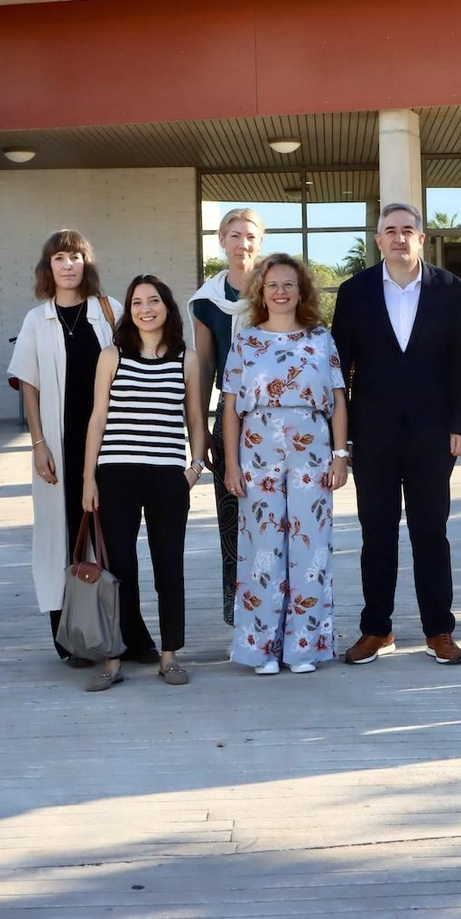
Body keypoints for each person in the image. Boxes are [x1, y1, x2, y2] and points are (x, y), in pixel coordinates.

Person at [331, 202, 461, 667]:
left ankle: (439, 630)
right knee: (376, 533)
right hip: (372, 434)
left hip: (433, 435)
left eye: (407, 230)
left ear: (421, 238)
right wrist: (342, 437)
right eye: (390, 230)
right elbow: (339, 370)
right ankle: (377, 629)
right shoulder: (354, 292)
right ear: (378, 240)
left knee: (430, 532)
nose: (399, 237)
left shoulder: (449, 288)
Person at [7, 230, 138, 666]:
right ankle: (73, 639)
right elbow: (29, 384)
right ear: (48, 267)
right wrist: (38, 443)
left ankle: (126, 634)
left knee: (115, 537)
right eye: (59, 258)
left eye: (75, 257)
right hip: (59, 446)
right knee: (64, 538)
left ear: (87, 264)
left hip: (112, 442)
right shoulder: (36, 319)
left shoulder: (110, 310)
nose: (68, 265)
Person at [80, 275, 209, 691]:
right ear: (129, 310)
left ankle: (169, 656)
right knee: (119, 569)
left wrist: (195, 467)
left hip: (167, 476)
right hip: (115, 474)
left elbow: (195, 418)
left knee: (169, 565)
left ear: (167, 307)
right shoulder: (112, 355)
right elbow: (97, 418)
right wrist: (89, 477)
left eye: (153, 301)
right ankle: (113, 658)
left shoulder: (186, 358)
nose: (145, 309)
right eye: (137, 302)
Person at [221, 253, 349, 674]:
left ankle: (303, 648)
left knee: (310, 549)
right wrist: (231, 465)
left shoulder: (321, 338)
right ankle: (261, 648)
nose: (280, 292)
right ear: (261, 291)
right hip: (257, 450)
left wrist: (341, 455)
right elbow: (230, 407)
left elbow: (338, 399)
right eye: (273, 284)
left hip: (312, 452)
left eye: (288, 284)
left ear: (301, 291)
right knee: (262, 550)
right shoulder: (245, 341)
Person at [190, 208, 264, 627]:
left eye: (250, 236)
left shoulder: (275, 289)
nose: (242, 244)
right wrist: (199, 434)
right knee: (233, 521)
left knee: (276, 518)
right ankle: (239, 615)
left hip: (276, 417)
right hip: (230, 416)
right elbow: (203, 367)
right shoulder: (206, 301)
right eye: (234, 235)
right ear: (221, 240)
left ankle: (279, 610)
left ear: (260, 241)